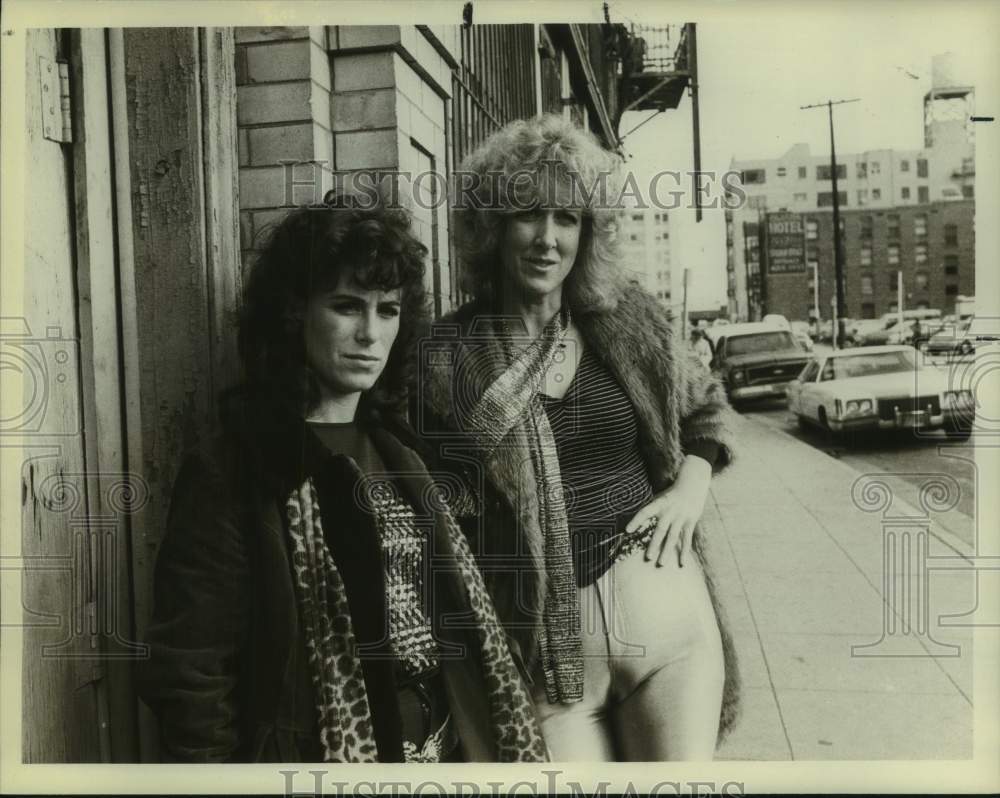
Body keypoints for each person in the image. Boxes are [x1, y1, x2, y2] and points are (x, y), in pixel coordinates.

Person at [136, 195, 547, 763]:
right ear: (294, 312)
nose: (370, 334)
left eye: (388, 310)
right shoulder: (239, 468)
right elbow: (191, 672)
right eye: (347, 306)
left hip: (451, 753)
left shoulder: (411, 453)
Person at [419, 115, 740, 761]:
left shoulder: (626, 320)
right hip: (542, 655)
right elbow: (432, 515)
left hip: (667, 620)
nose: (546, 238)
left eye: (567, 218)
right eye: (527, 214)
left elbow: (705, 409)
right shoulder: (445, 357)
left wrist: (690, 488)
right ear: (491, 227)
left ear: (588, 232)